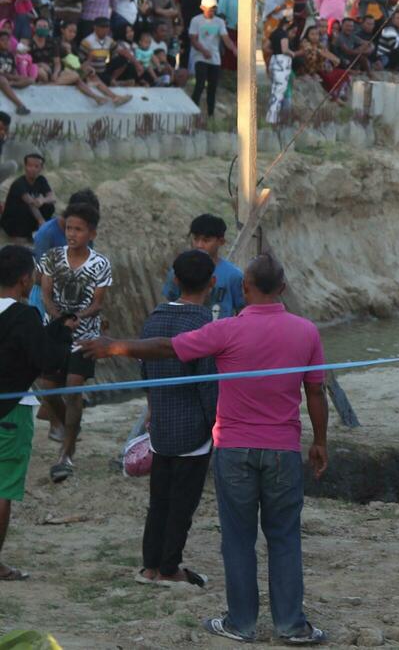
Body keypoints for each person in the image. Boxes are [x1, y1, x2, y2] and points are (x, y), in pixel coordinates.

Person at [83, 253, 328, 645]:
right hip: (283, 450)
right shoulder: (306, 332)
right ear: (282, 288)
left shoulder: (226, 330)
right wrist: (319, 441)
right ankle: (292, 626)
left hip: (233, 452)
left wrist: (115, 347)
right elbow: (315, 392)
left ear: (244, 288)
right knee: (284, 537)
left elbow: (166, 347)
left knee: (238, 539)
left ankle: (241, 624)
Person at [137, 250, 218, 588]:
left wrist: (153, 409)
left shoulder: (153, 319)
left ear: (174, 280)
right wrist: (217, 426)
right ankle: (170, 568)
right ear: (212, 284)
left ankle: (149, 566)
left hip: (161, 425)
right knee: (182, 505)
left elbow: (144, 370)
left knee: (159, 500)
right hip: (193, 430)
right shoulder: (204, 325)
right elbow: (208, 384)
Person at [0, 244, 77, 581]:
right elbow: (47, 362)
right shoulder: (23, 315)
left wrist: (55, 328)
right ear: (24, 279)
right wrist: (63, 335)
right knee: (2, 490)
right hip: (10, 413)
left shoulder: (23, 319)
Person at [35, 201, 112, 483]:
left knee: (73, 387)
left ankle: (66, 453)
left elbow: (98, 303)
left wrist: (77, 317)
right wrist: (59, 318)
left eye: (78, 229)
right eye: (68, 227)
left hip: (85, 337)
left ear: (91, 232)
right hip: (55, 334)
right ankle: (69, 427)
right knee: (48, 388)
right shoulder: (53, 257)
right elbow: (45, 294)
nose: (71, 233)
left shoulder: (100, 263)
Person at [161, 214, 246, 320]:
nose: (199, 245)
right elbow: (170, 301)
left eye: (206, 240)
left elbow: (242, 310)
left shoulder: (233, 276)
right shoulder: (179, 270)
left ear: (221, 242)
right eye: (196, 239)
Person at [189, 0, 235, 117]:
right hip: (200, 57)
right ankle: (193, 112)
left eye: (214, 9)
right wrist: (203, 50)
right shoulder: (196, 20)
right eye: (209, 9)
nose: (211, 11)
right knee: (200, 84)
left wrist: (234, 49)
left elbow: (226, 39)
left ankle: (210, 114)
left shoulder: (219, 22)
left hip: (214, 59)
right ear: (202, 8)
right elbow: (193, 40)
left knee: (212, 88)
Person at [0, 152, 55, 241]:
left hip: (30, 216)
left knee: (49, 206)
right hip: (15, 219)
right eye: (30, 166)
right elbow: (31, 204)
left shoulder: (41, 180)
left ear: (41, 168)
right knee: (25, 208)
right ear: (25, 167)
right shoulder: (19, 183)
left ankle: (35, 231)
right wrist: (41, 221)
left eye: (36, 166)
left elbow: (52, 198)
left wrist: (43, 200)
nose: (32, 169)